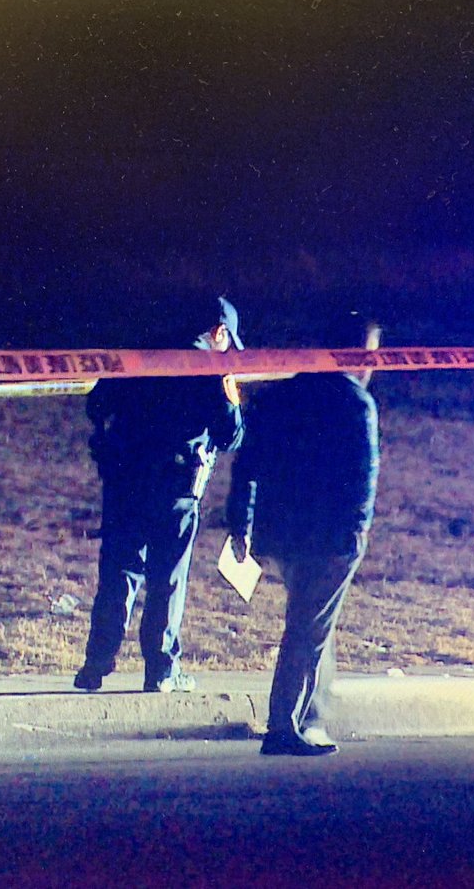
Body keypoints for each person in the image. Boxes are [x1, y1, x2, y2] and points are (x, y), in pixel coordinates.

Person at [226, 314, 381, 755]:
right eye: (368, 353)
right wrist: (356, 532)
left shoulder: (279, 397)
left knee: (311, 623)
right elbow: (362, 477)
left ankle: (309, 713)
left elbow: (247, 465)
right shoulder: (355, 404)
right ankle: (284, 724)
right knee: (307, 629)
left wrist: (241, 521)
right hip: (330, 536)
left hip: (283, 531)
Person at [74, 297, 245, 693]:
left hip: (125, 480)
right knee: (167, 578)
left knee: (119, 572)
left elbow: (97, 402)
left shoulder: (142, 352)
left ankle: (95, 665)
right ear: (218, 333)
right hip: (176, 487)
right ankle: (161, 669)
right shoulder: (210, 368)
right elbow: (230, 435)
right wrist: (227, 381)